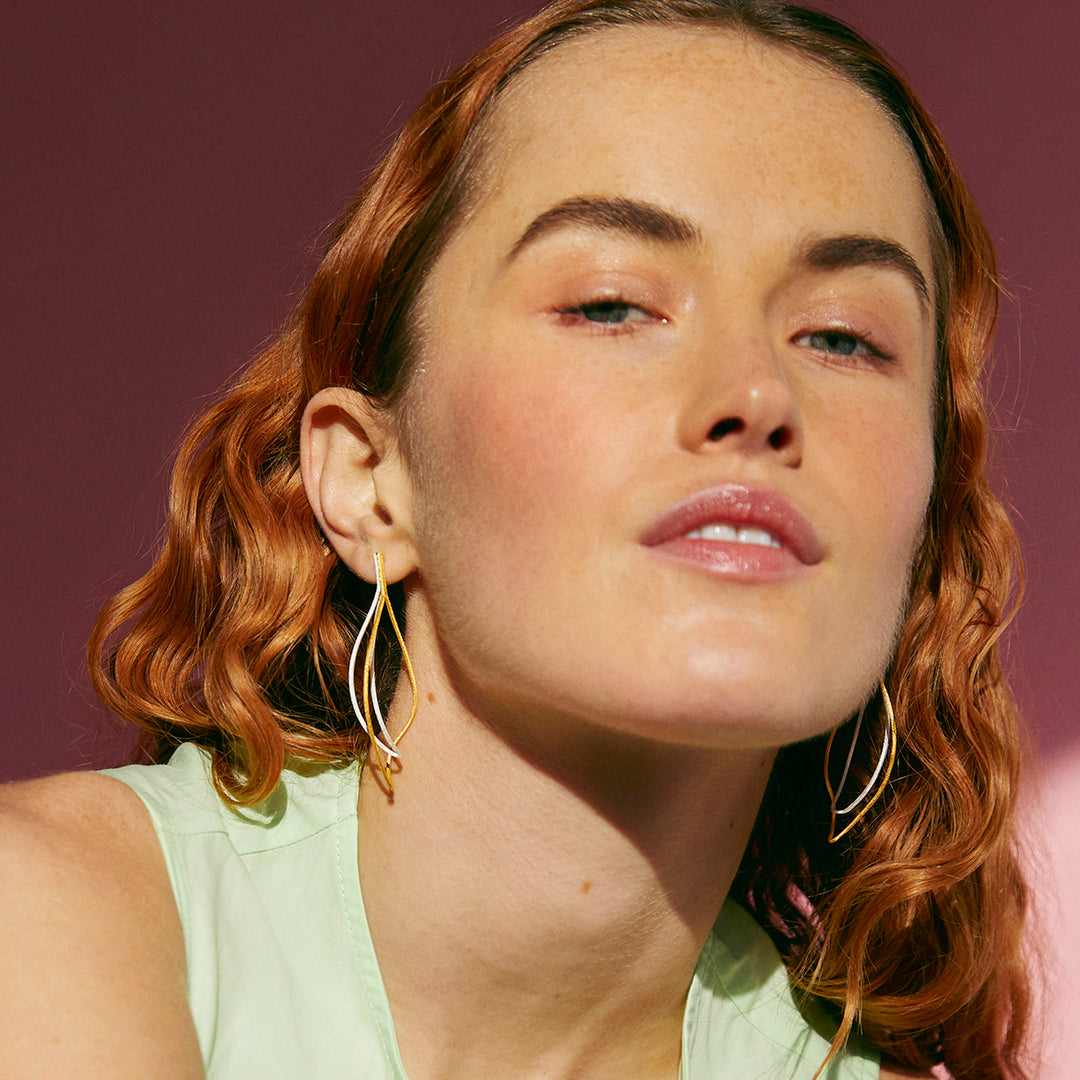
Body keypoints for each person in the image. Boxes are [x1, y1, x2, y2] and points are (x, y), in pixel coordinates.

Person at [0, 1, 1034, 1077]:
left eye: (843, 337)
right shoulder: (56, 915)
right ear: (367, 477)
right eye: (612, 305)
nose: (757, 393)